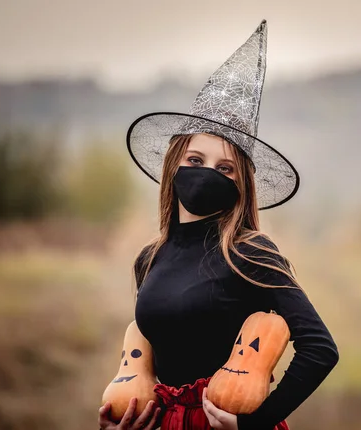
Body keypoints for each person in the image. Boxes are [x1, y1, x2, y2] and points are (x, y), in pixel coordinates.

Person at [98, 20, 339, 430]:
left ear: (240, 185)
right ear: (174, 165)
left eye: (225, 168)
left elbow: (320, 348)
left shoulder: (250, 252)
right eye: (195, 161)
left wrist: (256, 424)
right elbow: (156, 359)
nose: (207, 173)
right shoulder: (149, 258)